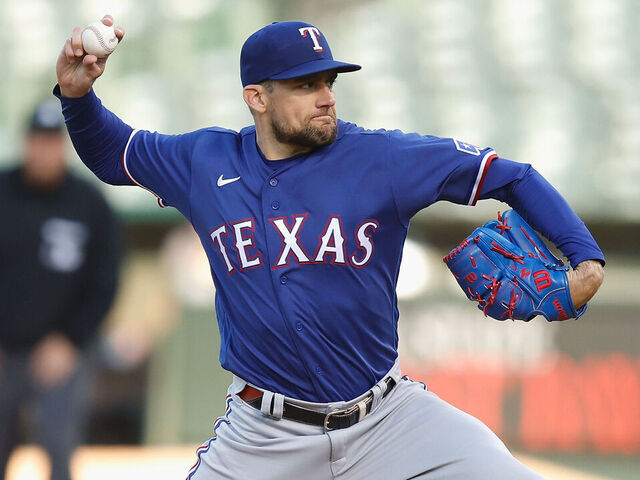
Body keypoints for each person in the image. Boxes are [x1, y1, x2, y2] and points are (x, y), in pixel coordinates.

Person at [54, 16, 604, 479]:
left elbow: (509, 175)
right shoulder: (205, 162)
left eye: (329, 81)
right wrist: (78, 96)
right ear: (257, 97)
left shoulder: (381, 158)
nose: (325, 97)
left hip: (388, 419)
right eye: (304, 85)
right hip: (263, 435)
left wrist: (585, 257)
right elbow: (113, 153)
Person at [0, 99, 121, 480]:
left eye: (52, 141)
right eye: (38, 139)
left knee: (57, 443)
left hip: (63, 352)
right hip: (4, 350)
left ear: (63, 146)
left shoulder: (89, 202)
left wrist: (70, 340)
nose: (44, 149)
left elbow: (106, 280)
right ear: (26, 142)